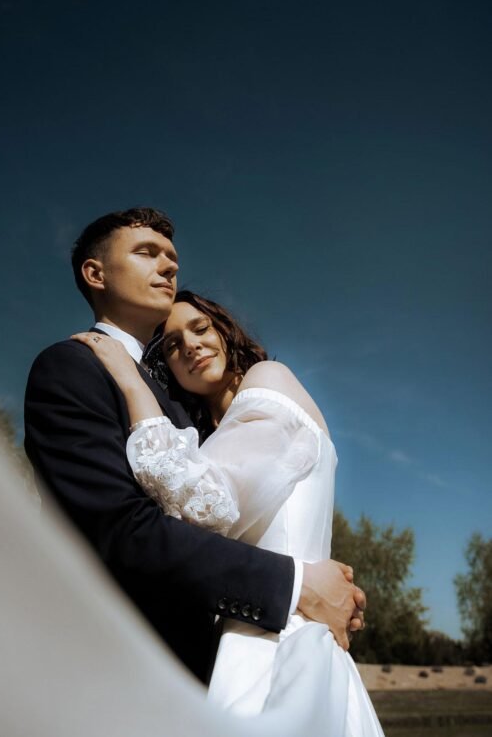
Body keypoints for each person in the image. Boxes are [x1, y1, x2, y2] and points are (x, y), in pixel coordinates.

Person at [24, 207, 364, 687]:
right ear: (95, 273)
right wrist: (296, 585)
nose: (168, 266)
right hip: (124, 671)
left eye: (172, 258)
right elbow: (119, 531)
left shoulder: (185, 416)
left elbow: (215, 516)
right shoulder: (73, 366)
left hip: (216, 670)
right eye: (147, 253)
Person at [72, 290, 384, 735]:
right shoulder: (210, 438)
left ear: (225, 331)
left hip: (282, 649)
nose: (191, 346)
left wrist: (131, 383)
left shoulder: (269, 379)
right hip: (240, 639)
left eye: (200, 329)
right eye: (173, 346)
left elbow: (206, 503)